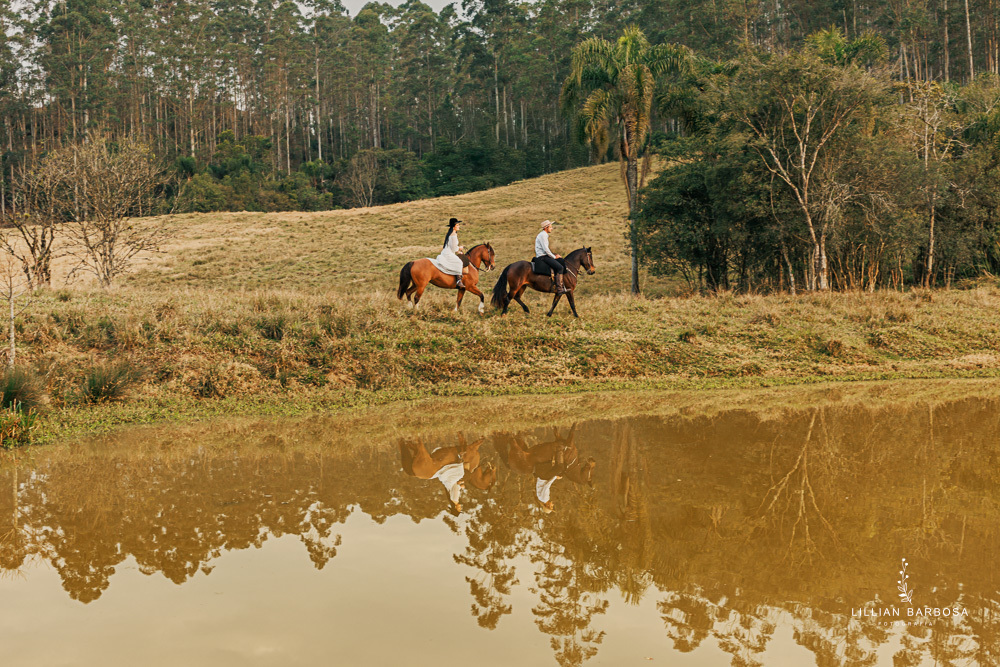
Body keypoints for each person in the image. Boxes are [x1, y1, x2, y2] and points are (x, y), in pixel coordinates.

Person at [434, 217, 470, 290]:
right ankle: (459, 280)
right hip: (448, 253)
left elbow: (452, 246)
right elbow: (453, 248)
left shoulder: (451, 233)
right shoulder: (453, 235)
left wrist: (458, 250)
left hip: (447, 251)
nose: (459, 226)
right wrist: (459, 248)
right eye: (457, 225)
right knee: (459, 262)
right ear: (454, 227)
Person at [534, 220, 567, 293]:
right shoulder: (543, 235)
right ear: (546, 228)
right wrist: (554, 257)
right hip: (543, 257)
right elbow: (546, 249)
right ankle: (559, 288)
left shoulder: (543, 234)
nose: (552, 228)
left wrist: (554, 255)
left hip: (544, 255)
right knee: (560, 267)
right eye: (550, 227)